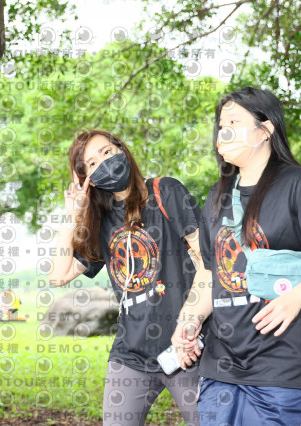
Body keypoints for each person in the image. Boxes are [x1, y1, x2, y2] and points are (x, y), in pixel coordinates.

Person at [172, 87, 301, 425]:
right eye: (221, 125)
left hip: (283, 360)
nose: (223, 132)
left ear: (265, 130)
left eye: (234, 122)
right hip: (221, 361)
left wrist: (295, 298)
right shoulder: (217, 195)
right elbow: (210, 272)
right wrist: (190, 319)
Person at [48, 129, 205, 426]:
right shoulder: (100, 221)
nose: (103, 163)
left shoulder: (166, 192)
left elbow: (206, 260)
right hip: (130, 355)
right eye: (92, 164)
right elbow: (58, 276)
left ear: (122, 150)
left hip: (186, 346)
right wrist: (71, 217)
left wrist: (192, 323)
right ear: (87, 180)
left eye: (107, 152)